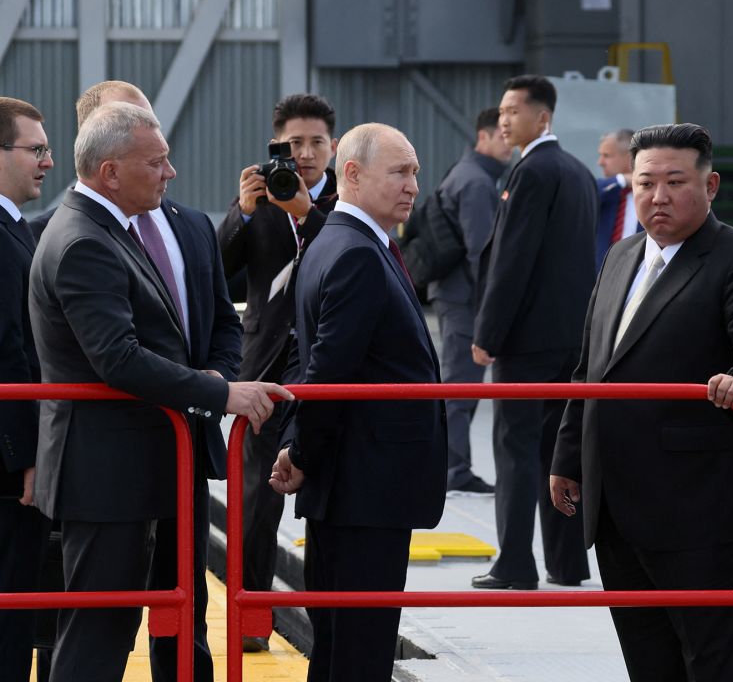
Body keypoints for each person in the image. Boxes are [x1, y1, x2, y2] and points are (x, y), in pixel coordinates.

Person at [29, 101, 291, 682]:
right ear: (110, 173)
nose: (170, 172)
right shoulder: (84, 242)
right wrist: (223, 394)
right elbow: (118, 358)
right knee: (98, 636)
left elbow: (198, 326)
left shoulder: (102, 229)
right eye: (158, 161)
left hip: (135, 466)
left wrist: (214, 382)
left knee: (143, 625)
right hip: (107, 474)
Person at [550, 123, 733, 681]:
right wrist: (566, 456)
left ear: (710, 186)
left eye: (675, 182)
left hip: (696, 500)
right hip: (615, 499)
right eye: (645, 183)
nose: (658, 197)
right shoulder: (619, 256)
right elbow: (590, 365)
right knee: (646, 652)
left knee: (713, 651)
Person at [72, 79, 244, 682]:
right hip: (109, 460)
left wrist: (218, 377)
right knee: (100, 622)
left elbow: (223, 321)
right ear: (105, 151)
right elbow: (97, 355)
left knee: (185, 604)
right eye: (149, 146)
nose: (168, 165)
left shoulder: (192, 224)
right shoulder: (71, 233)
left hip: (183, 448)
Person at [269, 123, 447, 682]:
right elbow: (330, 372)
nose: (414, 185)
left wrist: (300, 445)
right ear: (352, 173)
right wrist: (301, 451)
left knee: (342, 644)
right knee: (360, 649)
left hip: (355, 484)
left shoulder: (337, 242)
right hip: (365, 485)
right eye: (400, 171)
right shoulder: (356, 252)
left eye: (415, 171)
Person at [216, 93, 338, 651]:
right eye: (294, 144)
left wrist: (307, 213)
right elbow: (216, 269)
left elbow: (346, 253)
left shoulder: (346, 200)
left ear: (335, 147)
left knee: (327, 502)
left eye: (316, 142)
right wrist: (242, 213)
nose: (305, 153)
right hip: (262, 367)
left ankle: (329, 622)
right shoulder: (261, 201)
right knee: (253, 507)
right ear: (276, 147)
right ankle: (250, 624)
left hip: (322, 366)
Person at [471, 75, 595, 590]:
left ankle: (515, 564)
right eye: (500, 112)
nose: (503, 120)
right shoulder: (578, 171)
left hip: (525, 342)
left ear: (541, 118)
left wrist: (488, 332)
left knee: (516, 451)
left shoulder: (530, 172)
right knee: (559, 451)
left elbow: (511, 260)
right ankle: (567, 565)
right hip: (571, 339)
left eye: (512, 111)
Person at [427, 107, 511, 495]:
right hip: (465, 297)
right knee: (460, 384)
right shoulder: (477, 182)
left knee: (460, 383)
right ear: (484, 137)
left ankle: (451, 465)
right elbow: (483, 252)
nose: (509, 145)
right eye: (503, 136)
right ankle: (453, 469)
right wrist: (494, 309)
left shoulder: (464, 173)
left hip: (455, 292)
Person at [0, 97, 53, 682]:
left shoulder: (15, 230)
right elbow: (10, 353)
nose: (48, 161)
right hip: (9, 469)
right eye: (35, 149)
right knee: (11, 616)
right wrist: (27, 461)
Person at [594, 128, 641, 271]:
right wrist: (621, 180)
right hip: (601, 280)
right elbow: (585, 192)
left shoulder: (651, 194)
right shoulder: (609, 190)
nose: (600, 162)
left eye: (606, 155)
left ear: (629, 158)